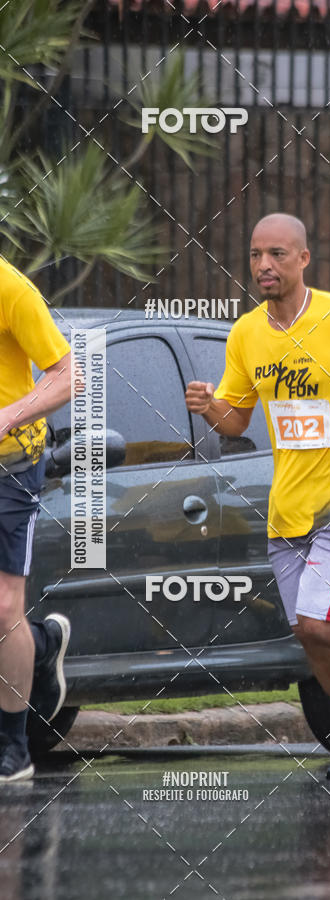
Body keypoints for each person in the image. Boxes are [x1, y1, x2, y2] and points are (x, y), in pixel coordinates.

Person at [185, 213, 330, 781]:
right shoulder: (246, 333)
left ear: (302, 259)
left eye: (275, 254)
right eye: (254, 255)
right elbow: (237, 419)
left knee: (320, 617)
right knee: (307, 632)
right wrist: (207, 405)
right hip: (287, 506)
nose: (263, 265)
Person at [0, 256, 73, 782]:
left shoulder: (11, 289)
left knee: (4, 608)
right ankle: (44, 644)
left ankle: (14, 747)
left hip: (10, 465)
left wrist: (10, 415)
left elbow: (69, 374)